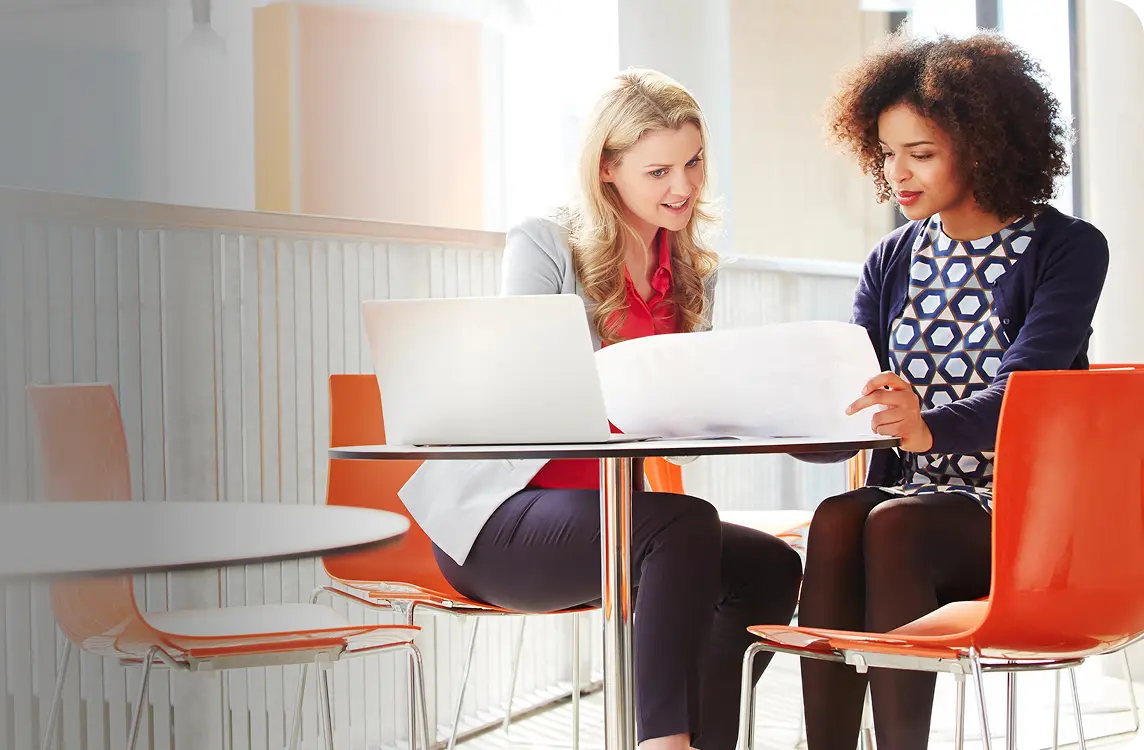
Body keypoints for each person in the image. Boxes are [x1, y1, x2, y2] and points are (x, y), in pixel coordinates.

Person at [399, 68, 803, 750]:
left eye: (695, 162)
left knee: (769, 566)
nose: (684, 186)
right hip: (500, 519)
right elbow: (521, 383)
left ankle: (700, 741)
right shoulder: (544, 243)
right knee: (680, 526)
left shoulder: (690, 270)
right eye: (659, 171)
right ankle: (662, 744)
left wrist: (738, 398)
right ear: (608, 169)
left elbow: (677, 435)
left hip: (615, 516)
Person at [797, 32, 1110, 750]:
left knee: (895, 524)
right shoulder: (892, 259)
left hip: (1025, 514)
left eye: (922, 152)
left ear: (983, 144)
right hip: (917, 503)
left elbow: (1026, 391)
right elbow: (861, 394)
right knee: (841, 516)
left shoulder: (1067, 249)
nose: (898, 174)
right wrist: (803, 412)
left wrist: (923, 427)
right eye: (887, 153)